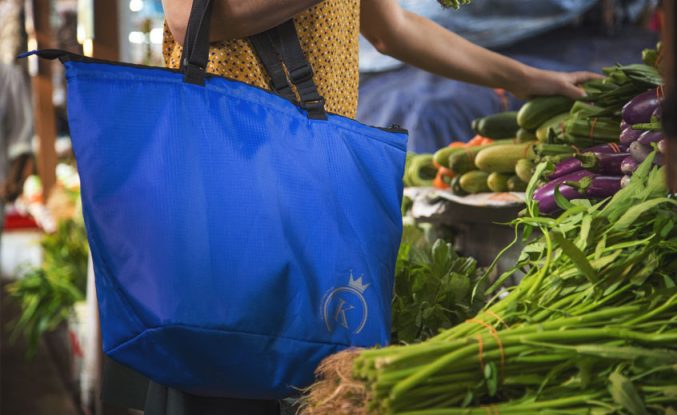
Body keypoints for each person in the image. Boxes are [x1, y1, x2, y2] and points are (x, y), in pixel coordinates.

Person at [103, 1, 602, 414]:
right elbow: (190, 18)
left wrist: (522, 79)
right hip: (233, 173)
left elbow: (392, 29)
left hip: (315, 178)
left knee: (306, 375)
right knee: (222, 376)